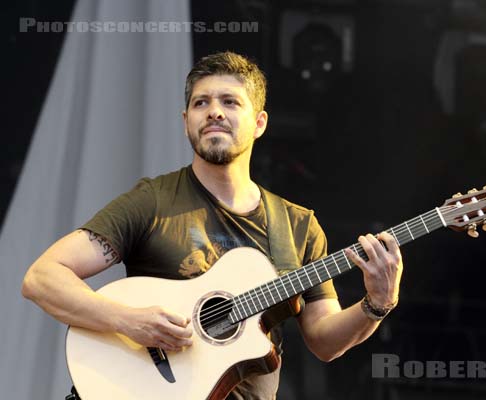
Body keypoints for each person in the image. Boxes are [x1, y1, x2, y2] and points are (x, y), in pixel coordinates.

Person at [21, 51, 403, 399]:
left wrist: (377, 303)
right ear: (187, 122)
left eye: (230, 102)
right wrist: (129, 321)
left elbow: (324, 341)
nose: (214, 112)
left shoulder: (298, 225)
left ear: (259, 122)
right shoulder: (153, 200)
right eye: (201, 102)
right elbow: (42, 278)